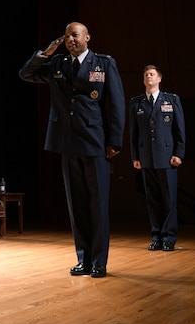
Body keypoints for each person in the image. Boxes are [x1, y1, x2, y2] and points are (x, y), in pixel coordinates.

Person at [18, 21, 125, 278]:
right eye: (66, 36)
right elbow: (26, 74)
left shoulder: (103, 63)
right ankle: (83, 259)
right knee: (76, 205)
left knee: (97, 204)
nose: (70, 39)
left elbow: (117, 103)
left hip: (95, 141)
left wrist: (115, 141)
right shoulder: (57, 64)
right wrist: (46, 53)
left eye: (75, 35)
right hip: (66, 141)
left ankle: (99, 261)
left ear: (87, 37)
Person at [129, 65, 186, 252]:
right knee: (152, 199)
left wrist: (179, 153)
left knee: (168, 199)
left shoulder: (171, 100)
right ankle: (156, 237)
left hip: (167, 157)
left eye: (152, 74)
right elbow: (133, 133)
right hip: (146, 158)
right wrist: (135, 156)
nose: (148, 77)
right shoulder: (136, 103)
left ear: (159, 79)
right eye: (146, 74)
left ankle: (169, 237)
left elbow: (179, 130)